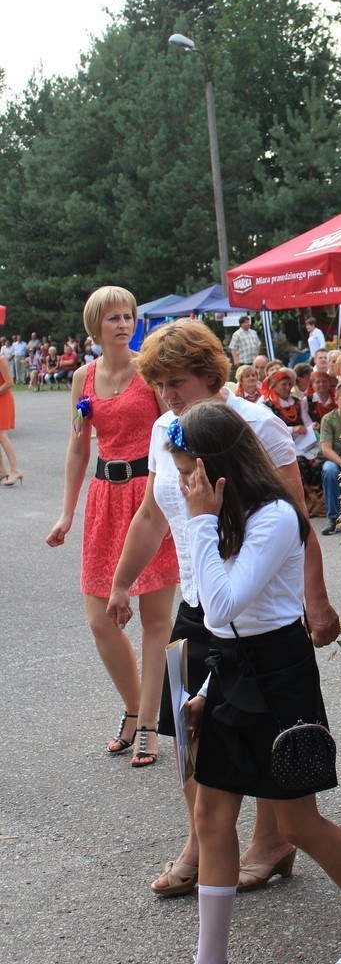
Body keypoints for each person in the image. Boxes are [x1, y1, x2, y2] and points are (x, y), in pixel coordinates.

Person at [106, 319, 339, 897]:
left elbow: (294, 520)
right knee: (195, 737)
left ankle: (271, 842)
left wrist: (316, 600)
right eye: (158, 384)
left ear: (212, 376)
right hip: (197, 601)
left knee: (260, 729)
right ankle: (202, 840)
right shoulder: (166, 428)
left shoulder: (259, 423)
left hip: (253, 602)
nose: (167, 396)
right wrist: (121, 582)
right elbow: (153, 515)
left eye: (177, 382)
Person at [170, 401, 341, 964]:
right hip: (230, 667)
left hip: (279, 672)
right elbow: (209, 608)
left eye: (188, 473)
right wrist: (205, 688)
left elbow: (221, 603)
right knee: (210, 816)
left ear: (216, 469)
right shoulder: (216, 514)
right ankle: (211, 958)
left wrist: (201, 519)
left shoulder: (276, 517)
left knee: (299, 822)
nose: (182, 486)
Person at [46, 286, 179, 762]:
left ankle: (148, 724)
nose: (124, 324)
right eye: (114, 318)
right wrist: (67, 512)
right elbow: (80, 446)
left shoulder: (152, 371)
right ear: (95, 326)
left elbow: (176, 433)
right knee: (100, 619)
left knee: (155, 619)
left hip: (149, 498)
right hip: (104, 500)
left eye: (129, 316)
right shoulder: (83, 377)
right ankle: (134, 706)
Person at [319, 382, 341, 536]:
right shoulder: (329, 419)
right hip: (336, 460)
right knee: (329, 471)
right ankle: (333, 519)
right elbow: (326, 449)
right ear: (336, 399)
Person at [0, 352, 23, 485]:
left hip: (3, 400)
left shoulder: (1, 359)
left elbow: (9, 383)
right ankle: (2, 470)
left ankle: (15, 470)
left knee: (3, 435)